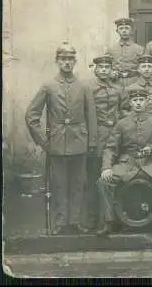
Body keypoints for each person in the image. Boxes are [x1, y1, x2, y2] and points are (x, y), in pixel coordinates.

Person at [25, 42, 97, 235]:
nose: (67, 63)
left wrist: (91, 142)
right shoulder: (48, 86)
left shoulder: (84, 86)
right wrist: (44, 141)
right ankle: (59, 223)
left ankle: (76, 222)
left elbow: (91, 116)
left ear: (75, 62)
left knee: (78, 183)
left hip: (79, 142)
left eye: (70, 59)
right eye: (63, 59)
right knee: (58, 184)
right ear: (57, 61)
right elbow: (31, 115)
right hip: (56, 143)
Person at [96, 86, 152, 236]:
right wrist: (106, 167)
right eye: (135, 100)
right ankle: (108, 222)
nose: (138, 103)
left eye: (141, 100)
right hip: (128, 164)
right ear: (131, 103)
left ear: (147, 102)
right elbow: (110, 148)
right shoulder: (122, 123)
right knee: (104, 181)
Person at [82, 54, 124, 233]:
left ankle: (115, 218)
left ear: (111, 69)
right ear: (96, 70)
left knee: (114, 178)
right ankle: (94, 220)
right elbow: (84, 113)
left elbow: (124, 109)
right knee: (94, 180)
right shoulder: (88, 88)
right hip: (97, 136)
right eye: (101, 68)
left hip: (115, 135)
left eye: (107, 67)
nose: (104, 70)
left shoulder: (118, 88)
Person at [105, 17, 144, 88]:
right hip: (116, 82)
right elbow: (106, 65)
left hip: (134, 81)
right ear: (117, 31)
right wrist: (110, 73)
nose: (124, 31)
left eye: (127, 28)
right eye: (121, 28)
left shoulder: (139, 49)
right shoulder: (111, 49)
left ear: (132, 30)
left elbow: (144, 67)